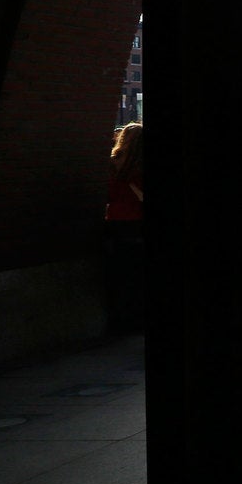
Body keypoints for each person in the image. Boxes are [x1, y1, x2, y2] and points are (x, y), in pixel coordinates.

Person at [104, 122, 144, 336]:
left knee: (119, 272)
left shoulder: (113, 163)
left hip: (116, 221)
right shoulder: (142, 165)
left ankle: (117, 319)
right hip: (138, 221)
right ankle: (137, 318)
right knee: (138, 273)